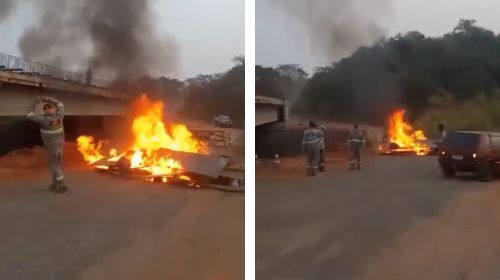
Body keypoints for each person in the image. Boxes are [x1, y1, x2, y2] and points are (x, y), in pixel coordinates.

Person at [27, 96, 67, 193]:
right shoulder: (60, 115)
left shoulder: (43, 120)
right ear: (53, 109)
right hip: (60, 144)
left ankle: (61, 182)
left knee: (54, 165)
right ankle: (55, 183)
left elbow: (29, 115)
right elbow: (60, 104)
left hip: (51, 146)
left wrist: (35, 103)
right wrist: (47, 99)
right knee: (57, 164)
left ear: (45, 111)